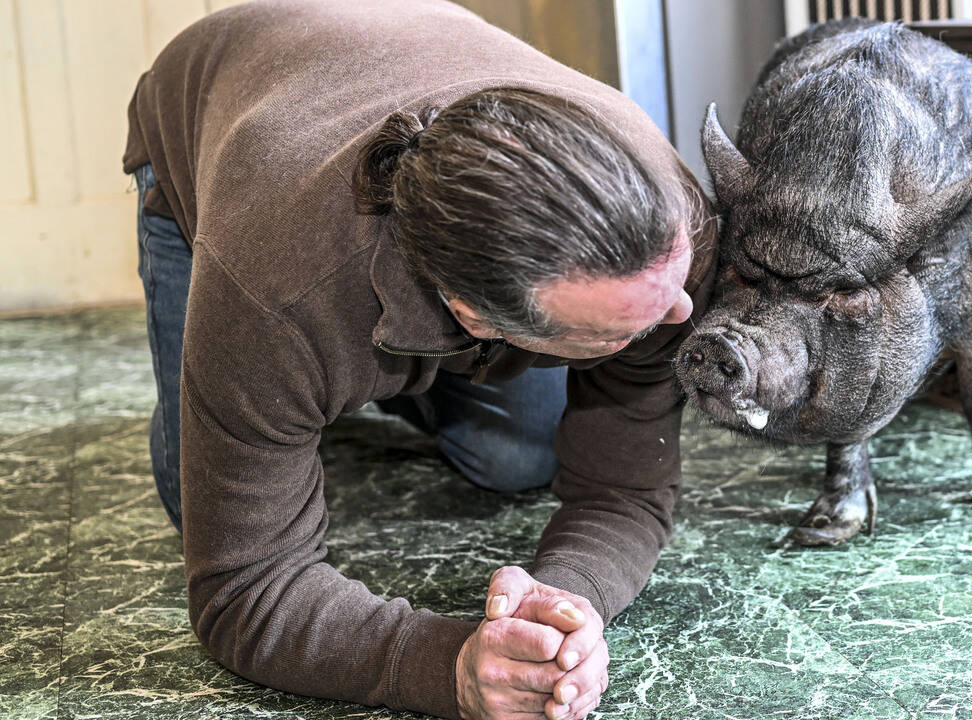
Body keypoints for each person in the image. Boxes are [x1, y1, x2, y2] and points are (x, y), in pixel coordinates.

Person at [122, 1, 716, 719]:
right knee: (198, 497)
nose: (683, 317)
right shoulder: (274, 286)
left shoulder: (667, 228)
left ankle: (351, 381)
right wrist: (449, 666)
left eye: (674, 288)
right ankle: (311, 389)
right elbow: (244, 590)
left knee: (520, 459)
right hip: (210, 102)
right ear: (474, 317)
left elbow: (625, 491)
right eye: (619, 330)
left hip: (406, 42)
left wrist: (568, 601)